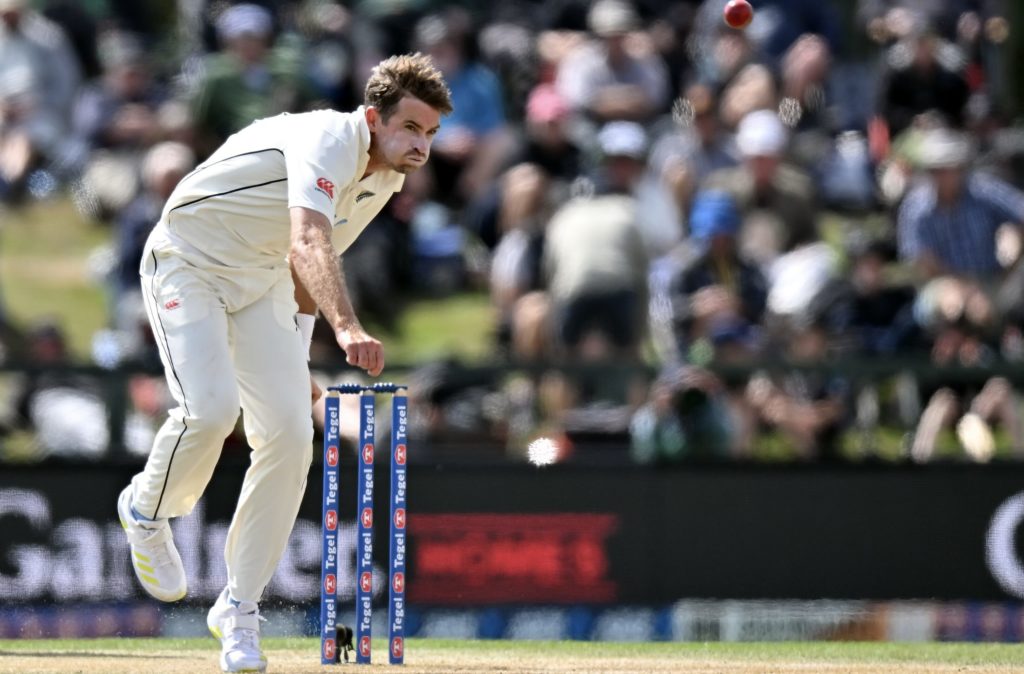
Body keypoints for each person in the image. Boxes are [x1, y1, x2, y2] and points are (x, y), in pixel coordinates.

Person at [115, 53, 452, 673]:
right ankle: (145, 510)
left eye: (430, 134)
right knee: (211, 411)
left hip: (262, 282)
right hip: (188, 261)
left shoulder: (387, 178)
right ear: (374, 118)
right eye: (410, 128)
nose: (421, 146)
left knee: (293, 435)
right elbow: (309, 241)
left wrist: (296, 363)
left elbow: (302, 268)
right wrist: (346, 327)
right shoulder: (327, 138)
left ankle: (238, 610)